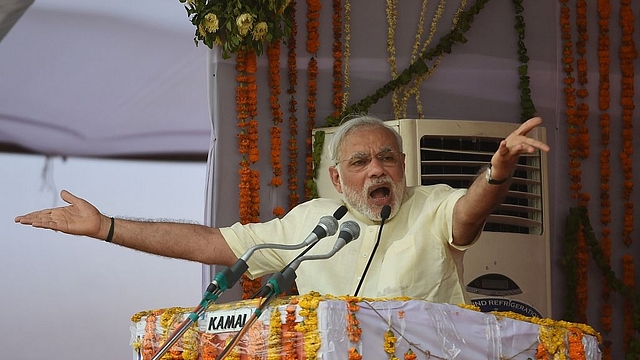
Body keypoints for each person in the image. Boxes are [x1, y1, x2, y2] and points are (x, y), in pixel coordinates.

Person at [14, 115, 549, 304]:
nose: (377, 170)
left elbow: (470, 214)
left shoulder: (431, 204)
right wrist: (107, 227)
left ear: (404, 164)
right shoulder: (314, 221)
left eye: (388, 157)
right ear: (338, 178)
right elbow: (212, 245)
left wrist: (498, 170)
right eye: (361, 162)